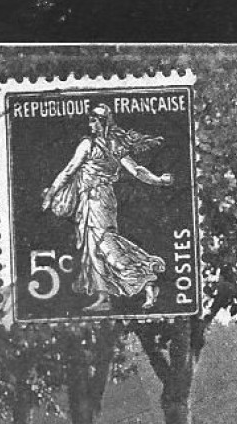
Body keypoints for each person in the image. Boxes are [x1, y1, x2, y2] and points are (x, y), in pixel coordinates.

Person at [41, 103, 175, 312]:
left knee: (105, 245)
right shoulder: (104, 145)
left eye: (94, 120)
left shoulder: (97, 145)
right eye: (90, 119)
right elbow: (69, 171)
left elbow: (135, 170)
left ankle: (146, 277)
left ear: (103, 122)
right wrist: (158, 180)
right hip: (92, 201)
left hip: (98, 201)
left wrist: (158, 180)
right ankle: (109, 295)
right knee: (94, 250)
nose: (90, 123)